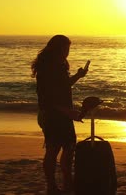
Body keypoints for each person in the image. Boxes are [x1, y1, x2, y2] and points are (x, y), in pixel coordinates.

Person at [31, 35, 88, 195]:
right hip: (52, 115)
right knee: (53, 150)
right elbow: (48, 98)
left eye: (68, 48)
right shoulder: (48, 68)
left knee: (69, 148)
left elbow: (63, 86)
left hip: (62, 114)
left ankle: (67, 183)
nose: (67, 52)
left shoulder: (59, 65)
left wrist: (78, 76)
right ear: (57, 48)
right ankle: (52, 186)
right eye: (65, 48)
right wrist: (68, 112)